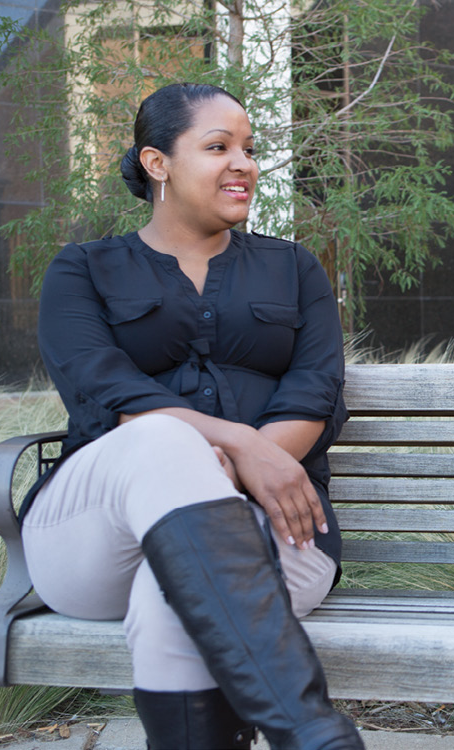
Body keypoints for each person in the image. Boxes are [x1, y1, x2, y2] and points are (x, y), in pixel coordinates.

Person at [19, 82, 364, 750]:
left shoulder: (294, 268)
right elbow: (105, 389)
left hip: (281, 527)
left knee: (173, 595)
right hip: (96, 544)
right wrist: (244, 447)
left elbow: (314, 389)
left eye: (249, 149)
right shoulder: (82, 270)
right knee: (157, 437)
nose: (244, 163)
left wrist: (240, 467)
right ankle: (314, 733)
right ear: (157, 163)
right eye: (218, 147)